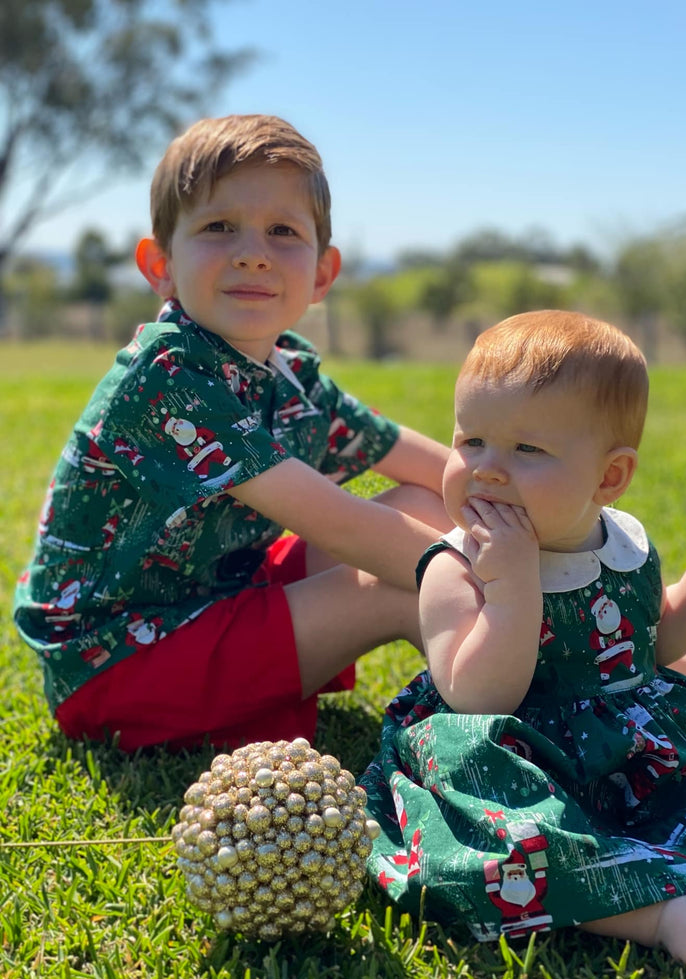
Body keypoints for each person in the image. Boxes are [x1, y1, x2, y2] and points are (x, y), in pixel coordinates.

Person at [361, 310, 686, 979]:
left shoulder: (623, 547)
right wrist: (509, 585)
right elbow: (477, 696)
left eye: (527, 450)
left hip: (633, 750)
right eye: (471, 440)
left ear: (609, 477)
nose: (488, 471)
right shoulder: (456, 566)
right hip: (512, 753)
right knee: (503, 833)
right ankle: (659, 915)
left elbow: (653, 648)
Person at [13, 113, 450, 752]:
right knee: (402, 587)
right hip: (119, 660)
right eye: (219, 227)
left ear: (323, 274)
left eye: (282, 230)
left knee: (427, 506)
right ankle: (519, 731)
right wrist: (482, 572)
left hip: (219, 595)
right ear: (160, 264)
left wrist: (557, 533)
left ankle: (535, 675)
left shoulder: (290, 371)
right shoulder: (165, 377)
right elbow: (340, 523)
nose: (253, 251)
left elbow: (433, 469)